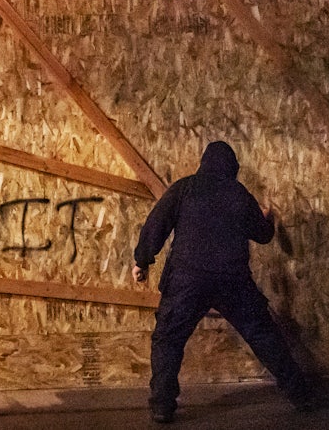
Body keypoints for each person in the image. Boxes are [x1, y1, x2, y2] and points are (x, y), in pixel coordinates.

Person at [132, 140, 312, 424]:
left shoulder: (185, 188)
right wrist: (269, 219)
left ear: (203, 163)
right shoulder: (238, 194)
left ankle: (162, 406)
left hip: (187, 279)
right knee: (263, 334)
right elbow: (262, 235)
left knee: (168, 340)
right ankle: (302, 395)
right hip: (232, 279)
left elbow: (157, 223)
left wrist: (142, 261)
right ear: (232, 168)